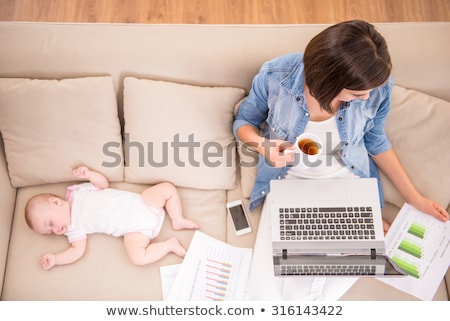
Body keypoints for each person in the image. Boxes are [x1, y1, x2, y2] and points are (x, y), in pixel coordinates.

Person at [233, 20, 449, 299]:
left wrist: (414, 198)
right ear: (329, 81)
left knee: (321, 287)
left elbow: (376, 141)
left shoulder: (378, 88)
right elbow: (244, 122)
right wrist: (263, 146)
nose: (368, 97)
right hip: (289, 184)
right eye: (358, 94)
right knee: (268, 291)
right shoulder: (277, 75)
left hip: (348, 181)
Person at [25, 166, 199, 270]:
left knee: (167, 188)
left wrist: (89, 174)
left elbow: (103, 184)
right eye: (50, 232)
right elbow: (76, 251)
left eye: (50, 223)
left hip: (142, 202)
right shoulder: (73, 229)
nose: (55, 230)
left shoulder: (79, 192)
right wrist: (56, 259)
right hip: (133, 230)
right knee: (137, 258)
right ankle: (169, 245)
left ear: (55, 202)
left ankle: (177, 219)